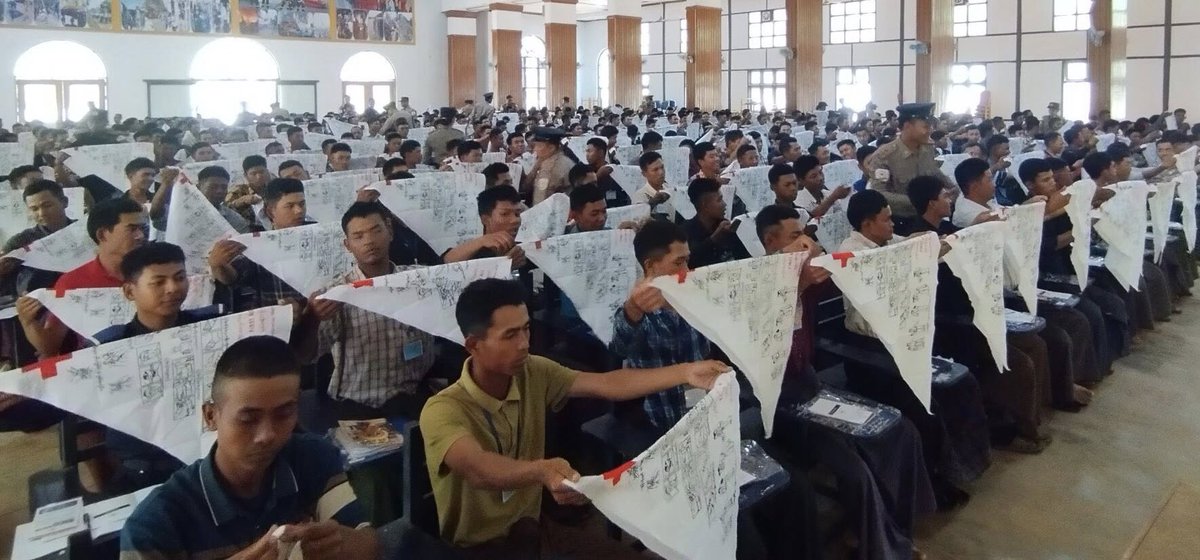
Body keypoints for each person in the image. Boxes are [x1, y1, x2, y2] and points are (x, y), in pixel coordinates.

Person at [419, 277, 730, 557]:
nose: (524, 343)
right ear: (473, 345)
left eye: (526, 328)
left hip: (534, 531)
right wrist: (541, 471)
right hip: (479, 550)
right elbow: (478, 469)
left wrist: (686, 372)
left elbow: (607, 384)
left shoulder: (532, 372)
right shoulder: (443, 410)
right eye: (510, 335)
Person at [120, 336, 380, 560]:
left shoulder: (312, 458)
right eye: (248, 419)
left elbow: (369, 545)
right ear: (211, 416)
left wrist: (340, 543)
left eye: (284, 414)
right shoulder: (155, 524)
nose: (266, 435)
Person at [904, 177, 1053, 454]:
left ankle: (1033, 416)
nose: (950, 200)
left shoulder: (947, 227)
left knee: (1037, 344)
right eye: (945, 196)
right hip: (953, 324)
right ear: (931, 203)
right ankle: (1015, 431)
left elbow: (974, 239)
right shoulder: (920, 239)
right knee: (1020, 364)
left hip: (977, 310)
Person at [296, 202, 437, 422]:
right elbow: (306, 356)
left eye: (376, 231)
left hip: (415, 395)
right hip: (359, 404)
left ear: (390, 232)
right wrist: (312, 318)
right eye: (358, 236)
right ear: (347, 245)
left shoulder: (420, 279)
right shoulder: (336, 294)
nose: (369, 241)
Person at [18, 197, 146, 358]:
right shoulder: (73, 283)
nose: (140, 235)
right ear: (102, 234)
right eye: (132, 229)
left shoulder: (155, 271)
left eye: (141, 228)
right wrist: (28, 322)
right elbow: (50, 347)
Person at [209, 178, 311, 310]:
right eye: (290, 206)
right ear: (270, 212)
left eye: (302, 204)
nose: (299, 211)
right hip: (278, 318)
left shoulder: (320, 233)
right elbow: (232, 278)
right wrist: (218, 265)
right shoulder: (258, 244)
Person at [865, 103, 957, 219]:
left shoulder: (927, 148)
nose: (930, 131)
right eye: (925, 127)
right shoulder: (885, 155)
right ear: (908, 126)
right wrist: (920, 201)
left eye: (931, 127)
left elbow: (934, 171)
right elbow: (879, 193)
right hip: (901, 220)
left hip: (930, 216)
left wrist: (951, 187)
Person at [442, 186, 525, 268]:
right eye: (505, 214)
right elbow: (445, 263)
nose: (515, 220)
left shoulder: (524, 251)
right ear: (485, 219)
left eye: (517, 214)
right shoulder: (473, 254)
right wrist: (503, 267)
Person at [683, 178, 748, 268]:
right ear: (704, 205)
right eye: (719, 200)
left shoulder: (726, 227)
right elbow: (689, 262)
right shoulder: (686, 232)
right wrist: (714, 239)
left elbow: (744, 259)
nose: (724, 204)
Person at [522, 127, 574, 204]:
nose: (535, 149)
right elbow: (526, 187)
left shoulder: (563, 165)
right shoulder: (543, 161)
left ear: (551, 148)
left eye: (539, 146)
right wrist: (536, 167)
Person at [225, 155, 270, 225]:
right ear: (246, 176)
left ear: (267, 171)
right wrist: (240, 201)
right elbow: (225, 210)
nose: (259, 177)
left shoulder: (276, 187)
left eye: (262, 172)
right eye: (253, 174)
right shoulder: (237, 191)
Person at [632, 151, 675, 221]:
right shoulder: (640, 196)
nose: (661, 172)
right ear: (644, 173)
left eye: (662, 167)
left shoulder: (670, 188)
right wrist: (652, 203)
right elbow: (639, 220)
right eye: (655, 170)